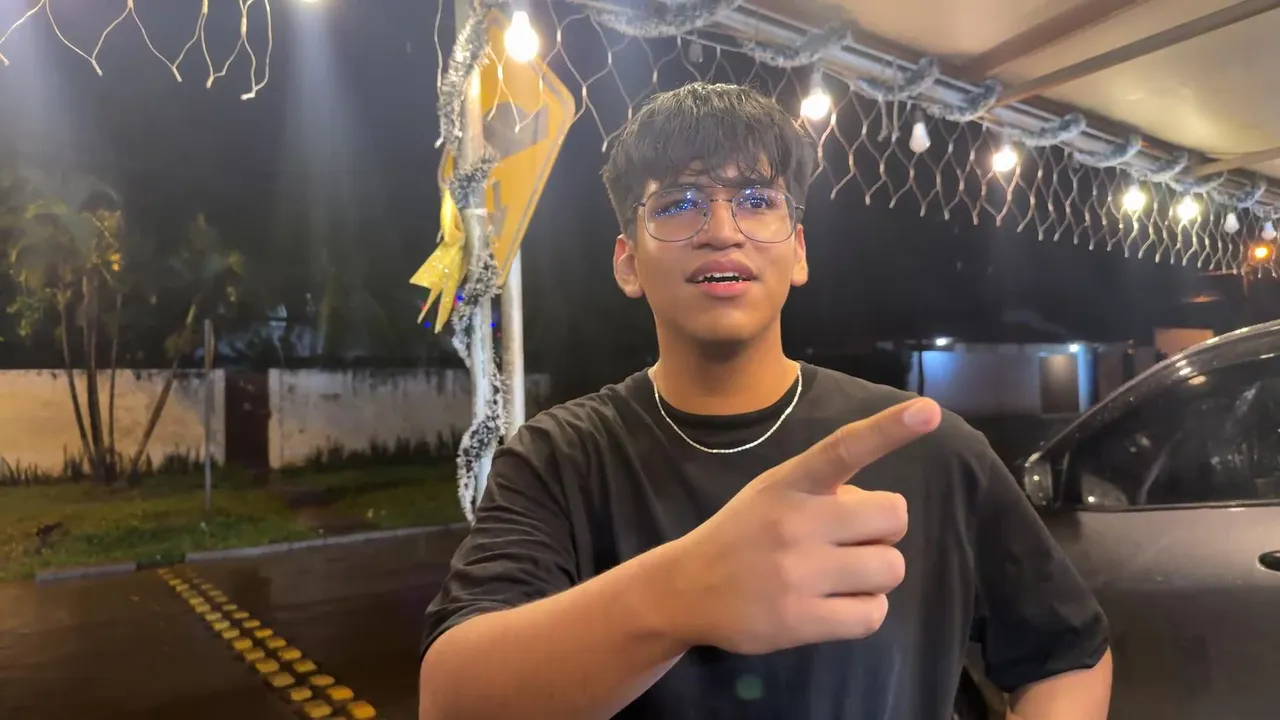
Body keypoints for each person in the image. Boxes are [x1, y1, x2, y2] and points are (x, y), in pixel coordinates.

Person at [418, 82, 1112, 720]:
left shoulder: (930, 449)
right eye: (678, 203)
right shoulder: (559, 460)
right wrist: (683, 590)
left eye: (756, 199)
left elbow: (1069, 655)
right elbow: (452, 700)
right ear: (628, 262)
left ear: (798, 251)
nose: (722, 229)